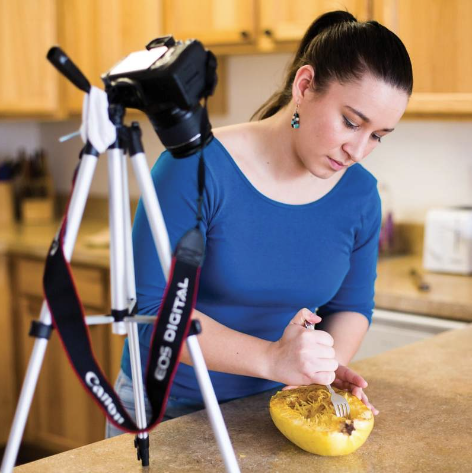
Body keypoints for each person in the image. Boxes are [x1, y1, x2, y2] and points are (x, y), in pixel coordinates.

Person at [106, 10, 413, 437]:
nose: (358, 150)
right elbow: (153, 310)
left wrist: (320, 371)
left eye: (378, 135)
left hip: (278, 415)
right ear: (304, 86)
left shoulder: (360, 196)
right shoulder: (195, 167)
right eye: (351, 122)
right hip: (165, 412)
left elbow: (350, 307)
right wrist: (272, 359)